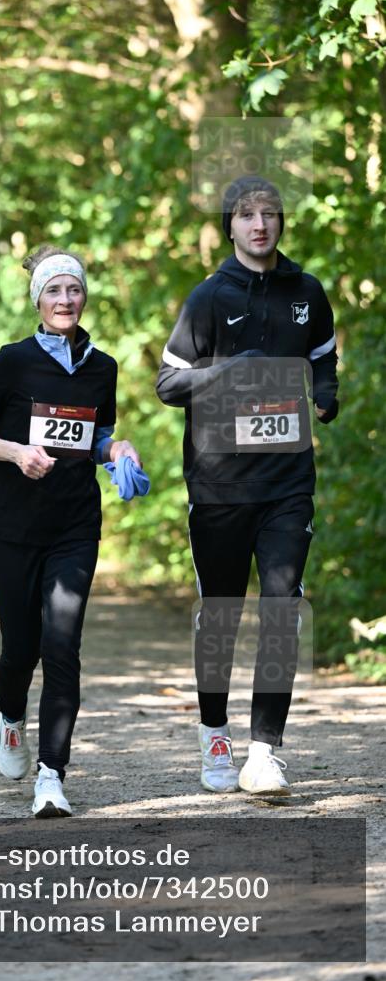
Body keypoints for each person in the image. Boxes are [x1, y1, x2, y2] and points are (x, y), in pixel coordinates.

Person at [156, 175, 339, 796]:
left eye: (269, 214)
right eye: (246, 215)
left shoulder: (306, 291)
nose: (259, 225)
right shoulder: (207, 299)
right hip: (219, 485)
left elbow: (322, 348)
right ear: (230, 226)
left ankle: (264, 752)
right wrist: (224, 370)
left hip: (287, 482)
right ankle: (215, 735)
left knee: (283, 607)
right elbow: (167, 384)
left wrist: (328, 392)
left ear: (281, 223)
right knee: (222, 617)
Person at [0, 244, 142, 818]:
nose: (65, 299)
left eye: (74, 289)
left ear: (85, 296)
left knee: (63, 647)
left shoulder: (102, 367)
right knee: (22, 648)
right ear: (37, 299)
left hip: (74, 526)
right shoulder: (13, 360)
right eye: (54, 290)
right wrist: (14, 453)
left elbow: (97, 438)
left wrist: (119, 451)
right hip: (12, 528)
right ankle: (10, 716)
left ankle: (52, 776)